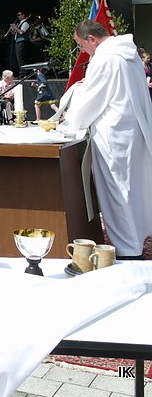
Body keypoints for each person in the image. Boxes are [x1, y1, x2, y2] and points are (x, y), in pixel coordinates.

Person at [64, 20, 152, 259]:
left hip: (114, 135)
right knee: (131, 190)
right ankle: (135, 239)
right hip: (131, 132)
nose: (85, 52)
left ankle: (126, 249)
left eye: (83, 46)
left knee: (117, 191)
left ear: (92, 39)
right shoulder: (128, 55)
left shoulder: (106, 58)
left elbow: (93, 100)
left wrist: (69, 122)